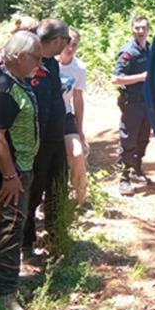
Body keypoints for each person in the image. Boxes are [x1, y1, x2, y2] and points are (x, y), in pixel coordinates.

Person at [0, 30, 42, 310]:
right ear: (18, 57)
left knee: (10, 224)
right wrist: (10, 176)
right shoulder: (5, 86)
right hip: (12, 171)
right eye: (36, 58)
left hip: (21, 169)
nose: (39, 64)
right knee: (11, 227)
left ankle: (0, 279)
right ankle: (5, 295)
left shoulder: (16, 80)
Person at [23, 19, 70, 258]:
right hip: (36, 143)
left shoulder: (51, 62)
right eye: (66, 40)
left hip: (55, 139)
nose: (67, 46)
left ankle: (55, 235)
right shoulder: (30, 58)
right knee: (32, 193)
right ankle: (25, 243)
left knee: (57, 187)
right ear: (57, 40)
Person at [111, 15, 152, 196]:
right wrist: (141, 77)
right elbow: (116, 79)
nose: (140, 31)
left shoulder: (151, 50)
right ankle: (124, 178)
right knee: (129, 139)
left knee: (143, 138)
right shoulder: (128, 52)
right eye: (137, 28)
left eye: (143, 28)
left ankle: (136, 169)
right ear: (132, 29)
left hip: (148, 103)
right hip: (132, 103)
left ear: (148, 29)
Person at [57, 27, 88, 204]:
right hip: (47, 116)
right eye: (67, 43)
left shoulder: (79, 68)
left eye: (74, 45)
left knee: (77, 154)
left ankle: (82, 198)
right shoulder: (48, 62)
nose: (70, 48)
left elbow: (78, 98)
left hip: (66, 115)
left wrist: (80, 129)